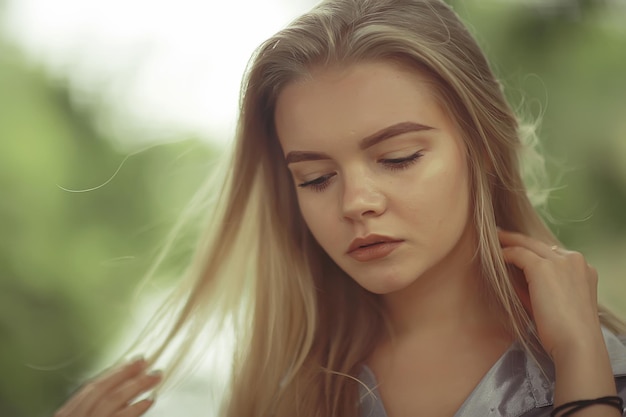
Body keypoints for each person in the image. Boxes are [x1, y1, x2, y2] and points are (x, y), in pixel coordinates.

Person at [54, 0, 626, 416]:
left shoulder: (589, 361)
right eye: (316, 177)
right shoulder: (286, 388)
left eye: (398, 158)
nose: (356, 203)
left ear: (481, 148)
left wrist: (583, 370)